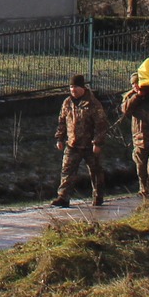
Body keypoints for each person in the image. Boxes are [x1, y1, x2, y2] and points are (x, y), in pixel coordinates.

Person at [51, 75, 109, 208]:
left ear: (82, 87)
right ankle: (63, 197)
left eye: (76, 87)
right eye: (71, 87)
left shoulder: (93, 104)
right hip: (72, 144)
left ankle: (98, 197)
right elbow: (62, 122)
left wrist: (98, 142)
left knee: (96, 172)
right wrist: (59, 138)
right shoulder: (67, 103)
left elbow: (101, 124)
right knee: (67, 171)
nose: (73, 90)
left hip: (89, 145)